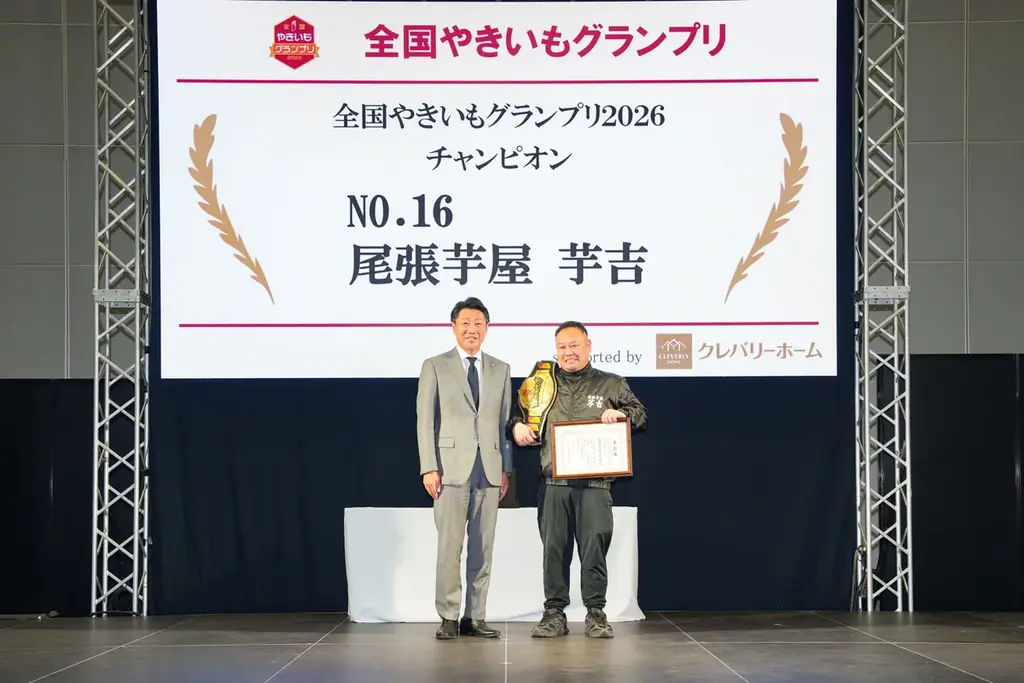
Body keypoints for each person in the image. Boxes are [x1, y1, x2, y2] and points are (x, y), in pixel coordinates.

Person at [506, 321, 648, 639]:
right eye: (562, 347)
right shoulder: (540, 383)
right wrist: (516, 427)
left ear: (588, 345)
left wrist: (623, 416)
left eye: (574, 345)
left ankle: (596, 613)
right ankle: (554, 614)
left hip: (596, 484)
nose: (568, 352)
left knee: (594, 548)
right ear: (555, 350)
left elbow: (640, 414)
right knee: (554, 550)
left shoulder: (611, 383)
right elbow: (516, 415)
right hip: (553, 483)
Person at [416, 297, 513, 641]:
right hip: (449, 469)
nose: (472, 329)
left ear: (487, 328)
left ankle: (475, 616)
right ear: (453, 326)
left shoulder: (500, 369)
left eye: (478, 324)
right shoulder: (435, 365)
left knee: (482, 549)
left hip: (489, 469)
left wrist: (506, 468)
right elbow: (425, 420)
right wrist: (429, 466)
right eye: (466, 323)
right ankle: (448, 615)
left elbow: (504, 422)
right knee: (450, 547)